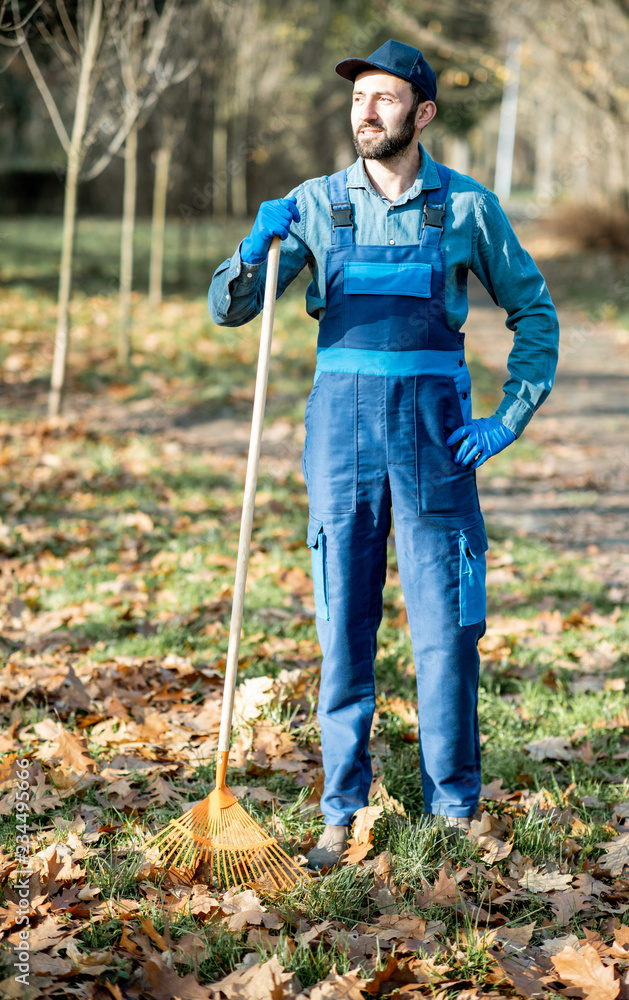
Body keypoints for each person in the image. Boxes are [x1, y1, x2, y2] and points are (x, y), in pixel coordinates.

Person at [208, 40, 559, 870]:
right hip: (341, 438)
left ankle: (454, 806)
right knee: (344, 626)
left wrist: (507, 419)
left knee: (446, 630)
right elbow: (232, 311)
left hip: (437, 442)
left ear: (422, 114)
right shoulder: (314, 204)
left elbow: (535, 317)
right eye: (358, 96)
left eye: (385, 97)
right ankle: (341, 808)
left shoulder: (469, 210)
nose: (366, 109)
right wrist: (252, 251)